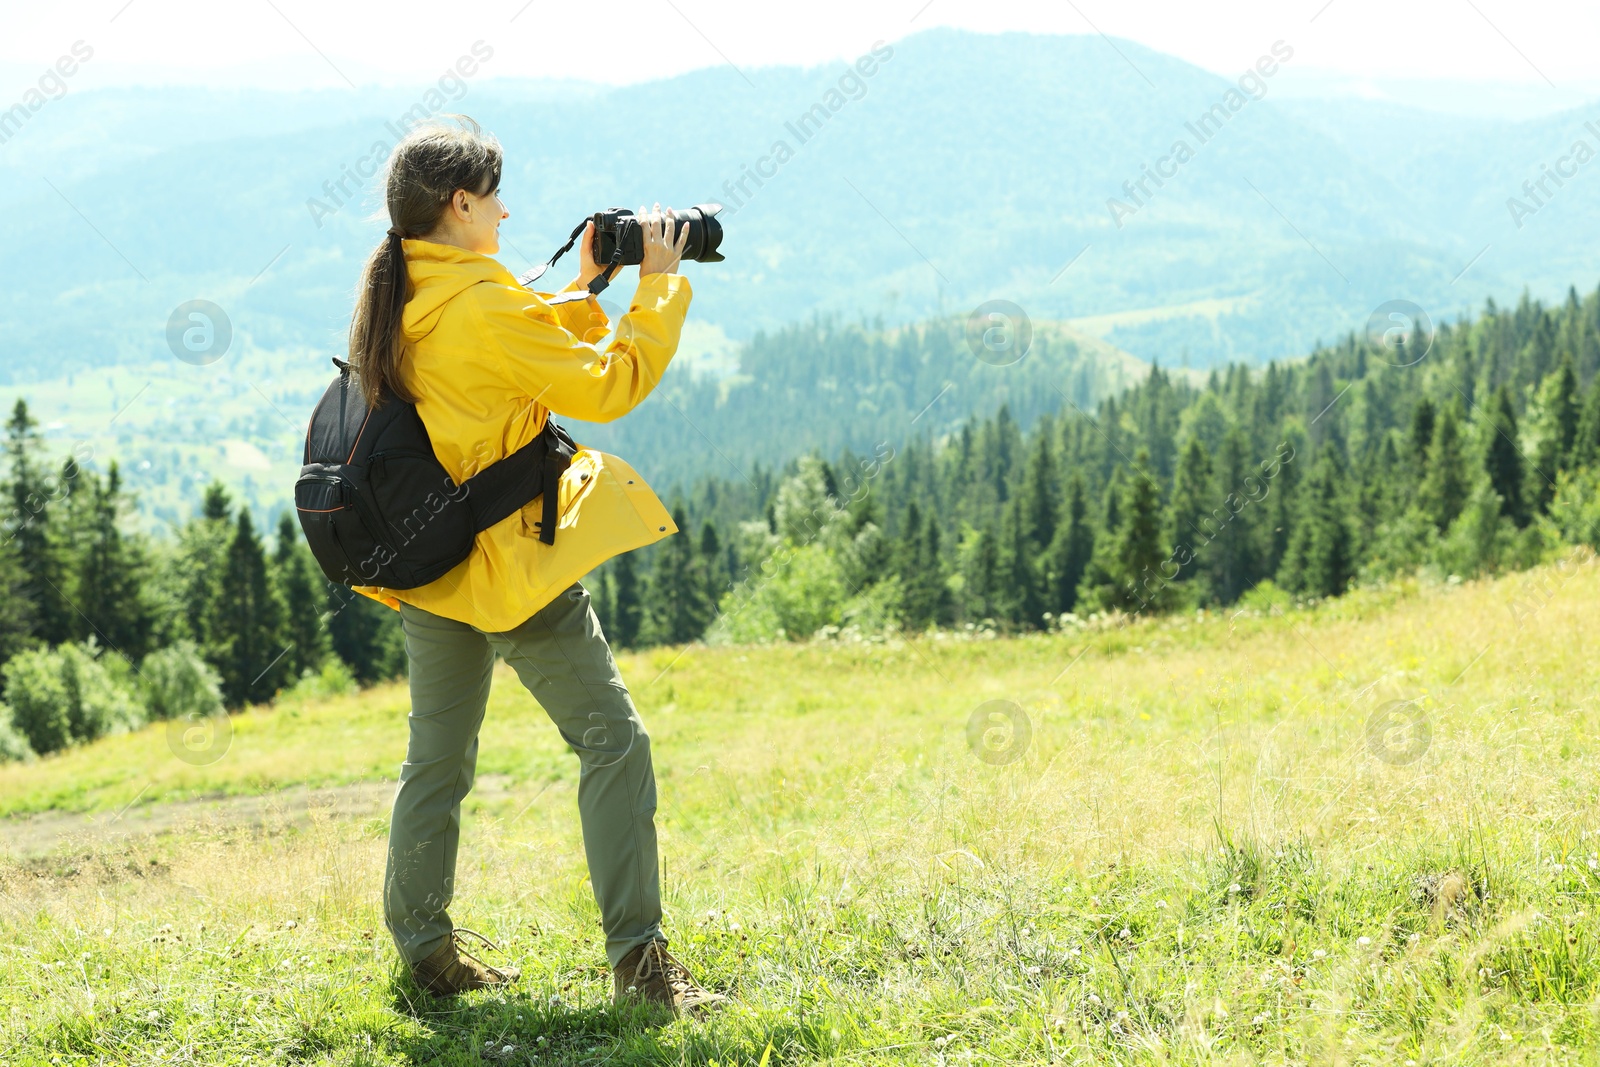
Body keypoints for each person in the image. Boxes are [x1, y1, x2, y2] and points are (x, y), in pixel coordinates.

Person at [343, 115, 725, 1016]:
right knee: (614, 742)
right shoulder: (478, 299)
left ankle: (424, 951)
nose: (509, 211)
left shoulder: (407, 291)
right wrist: (657, 289)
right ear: (461, 201)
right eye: (497, 195)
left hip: (430, 564)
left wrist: (587, 281)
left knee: (435, 761)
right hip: (512, 566)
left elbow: (504, 353)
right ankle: (640, 967)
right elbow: (605, 387)